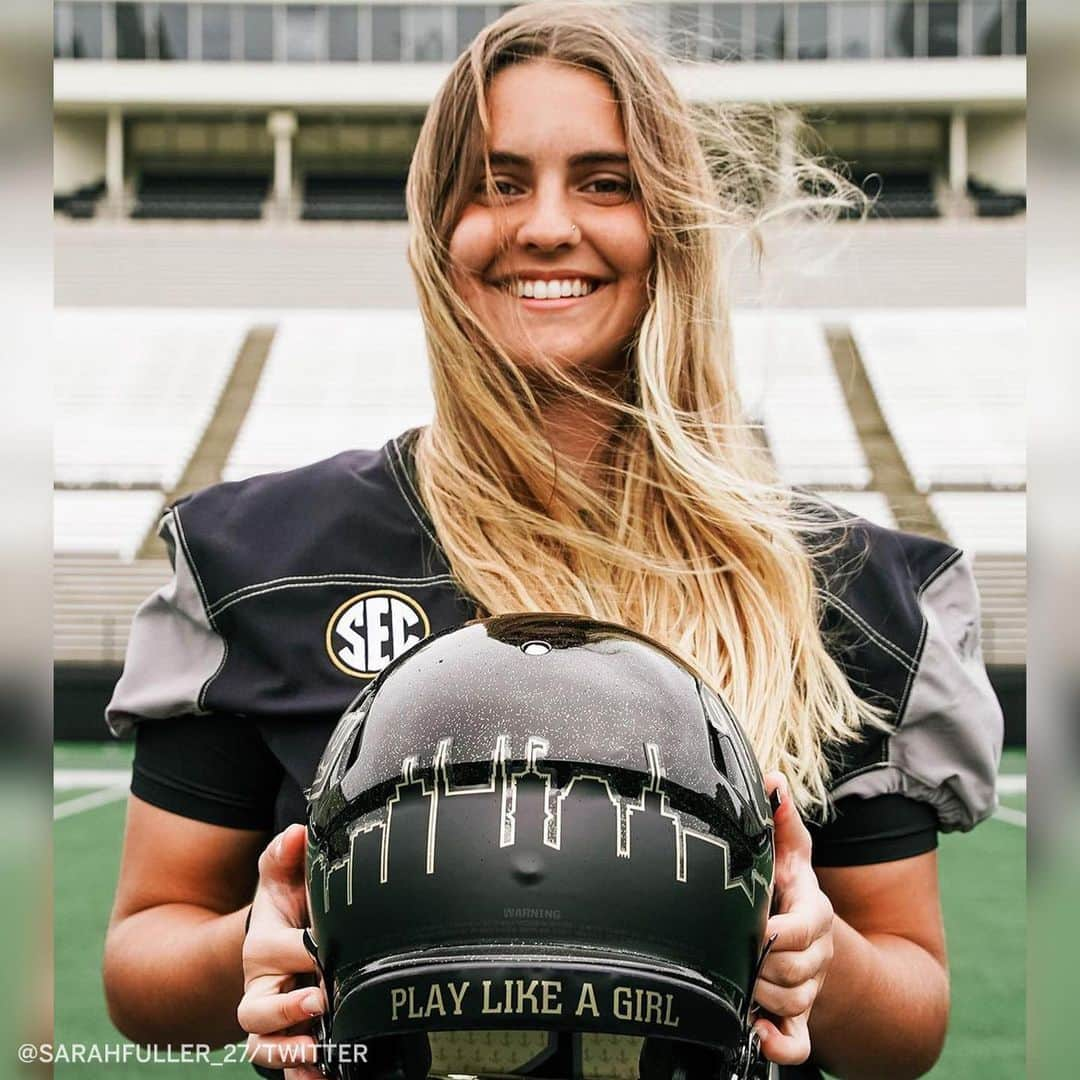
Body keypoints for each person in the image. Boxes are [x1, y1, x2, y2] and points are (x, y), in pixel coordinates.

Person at [100, 4, 1003, 1079]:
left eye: (605, 182)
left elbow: (910, 1020)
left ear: (669, 216)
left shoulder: (845, 590)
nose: (544, 225)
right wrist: (247, 949)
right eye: (498, 180)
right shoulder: (266, 558)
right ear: (438, 226)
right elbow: (142, 963)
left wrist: (827, 963)